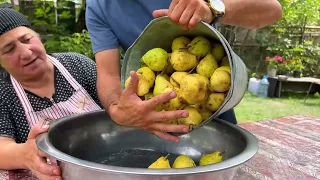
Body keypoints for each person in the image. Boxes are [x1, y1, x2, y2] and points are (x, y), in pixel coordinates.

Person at [85, 0, 282, 142]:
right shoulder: (98, 5)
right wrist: (115, 107)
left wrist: (213, 7)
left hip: (216, 117)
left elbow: (272, 10)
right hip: (155, 122)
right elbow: (108, 74)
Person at [0, 5, 102, 180]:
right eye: (9, 50)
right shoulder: (3, 93)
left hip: (103, 164)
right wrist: (26, 154)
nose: (25, 52)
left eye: (26, 39)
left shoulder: (78, 65)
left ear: (38, 37)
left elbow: (115, 104)